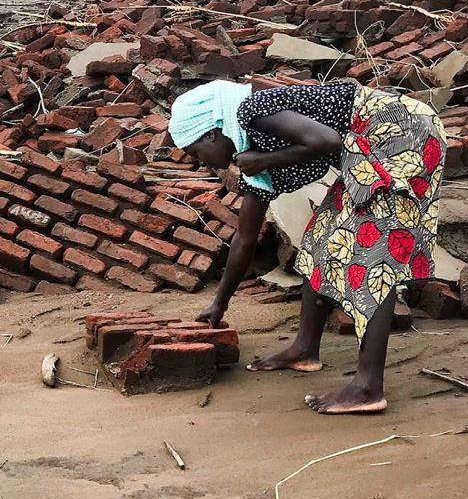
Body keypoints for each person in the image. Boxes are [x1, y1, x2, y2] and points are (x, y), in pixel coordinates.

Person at [169, 80, 446, 415]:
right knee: (319, 241)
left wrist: (266, 158)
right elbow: (244, 238)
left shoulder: (252, 110)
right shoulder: (255, 161)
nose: (202, 163)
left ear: (211, 133)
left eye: (196, 152)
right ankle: (304, 349)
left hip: (401, 131)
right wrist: (219, 304)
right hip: (365, 146)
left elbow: (328, 140)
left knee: (370, 255)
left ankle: (368, 387)